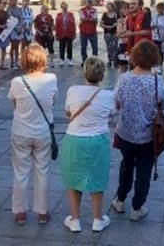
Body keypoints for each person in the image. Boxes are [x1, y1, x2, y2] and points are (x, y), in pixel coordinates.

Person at [111, 40, 164, 221]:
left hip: (126, 132)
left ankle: (120, 199)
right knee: (144, 170)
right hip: (148, 135)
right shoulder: (157, 81)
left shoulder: (124, 78)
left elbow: (117, 103)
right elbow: (162, 106)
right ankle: (137, 207)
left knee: (126, 165)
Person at [61, 57, 116, 233]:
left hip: (75, 138)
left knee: (74, 179)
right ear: (102, 75)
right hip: (98, 140)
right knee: (97, 180)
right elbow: (111, 116)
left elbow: (67, 111)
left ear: (84, 72)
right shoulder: (108, 95)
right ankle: (97, 219)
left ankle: (75, 219)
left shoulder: (73, 90)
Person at [8, 44, 58, 225]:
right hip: (43, 131)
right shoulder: (51, 79)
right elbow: (52, 101)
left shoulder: (17, 82)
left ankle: (20, 212)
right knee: (42, 171)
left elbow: (14, 103)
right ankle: (42, 212)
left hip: (21, 130)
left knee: (20, 172)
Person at [56, 1, 76, 67]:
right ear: (61, 7)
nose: (64, 8)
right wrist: (57, 34)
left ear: (67, 7)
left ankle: (69, 59)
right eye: (63, 6)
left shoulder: (71, 14)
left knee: (69, 47)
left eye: (65, 6)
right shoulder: (58, 15)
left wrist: (74, 33)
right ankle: (62, 59)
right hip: (61, 33)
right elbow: (57, 25)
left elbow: (73, 24)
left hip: (69, 32)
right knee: (62, 46)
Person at [79, 0, 99, 64]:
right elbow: (82, 19)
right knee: (83, 47)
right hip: (84, 31)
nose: (89, 3)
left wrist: (87, 19)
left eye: (90, 2)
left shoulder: (95, 10)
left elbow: (95, 20)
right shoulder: (81, 10)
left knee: (94, 46)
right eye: (88, 2)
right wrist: (91, 19)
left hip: (92, 31)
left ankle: (95, 60)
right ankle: (84, 60)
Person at [151, 3, 164, 73]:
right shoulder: (155, 18)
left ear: (163, 9)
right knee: (155, 52)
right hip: (155, 37)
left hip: (163, 38)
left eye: (161, 8)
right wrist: (154, 26)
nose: (159, 10)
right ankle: (155, 65)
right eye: (158, 9)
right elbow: (151, 26)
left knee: (161, 53)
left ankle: (160, 65)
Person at [100, 2, 119, 68]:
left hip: (115, 33)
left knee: (115, 47)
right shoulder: (105, 14)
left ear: (112, 7)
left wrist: (114, 25)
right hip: (107, 33)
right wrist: (106, 26)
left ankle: (115, 61)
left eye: (109, 6)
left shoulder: (116, 14)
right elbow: (101, 23)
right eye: (107, 6)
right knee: (109, 47)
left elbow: (119, 22)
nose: (108, 7)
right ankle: (110, 61)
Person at [7, 0, 24, 69]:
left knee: (17, 46)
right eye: (13, 0)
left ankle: (17, 62)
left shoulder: (19, 9)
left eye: (16, 0)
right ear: (10, 0)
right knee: (13, 46)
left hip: (19, 29)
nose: (15, 2)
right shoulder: (9, 9)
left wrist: (20, 27)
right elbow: (10, 19)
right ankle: (12, 62)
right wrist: (16, 28)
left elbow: (21, 18)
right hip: (12, 29)